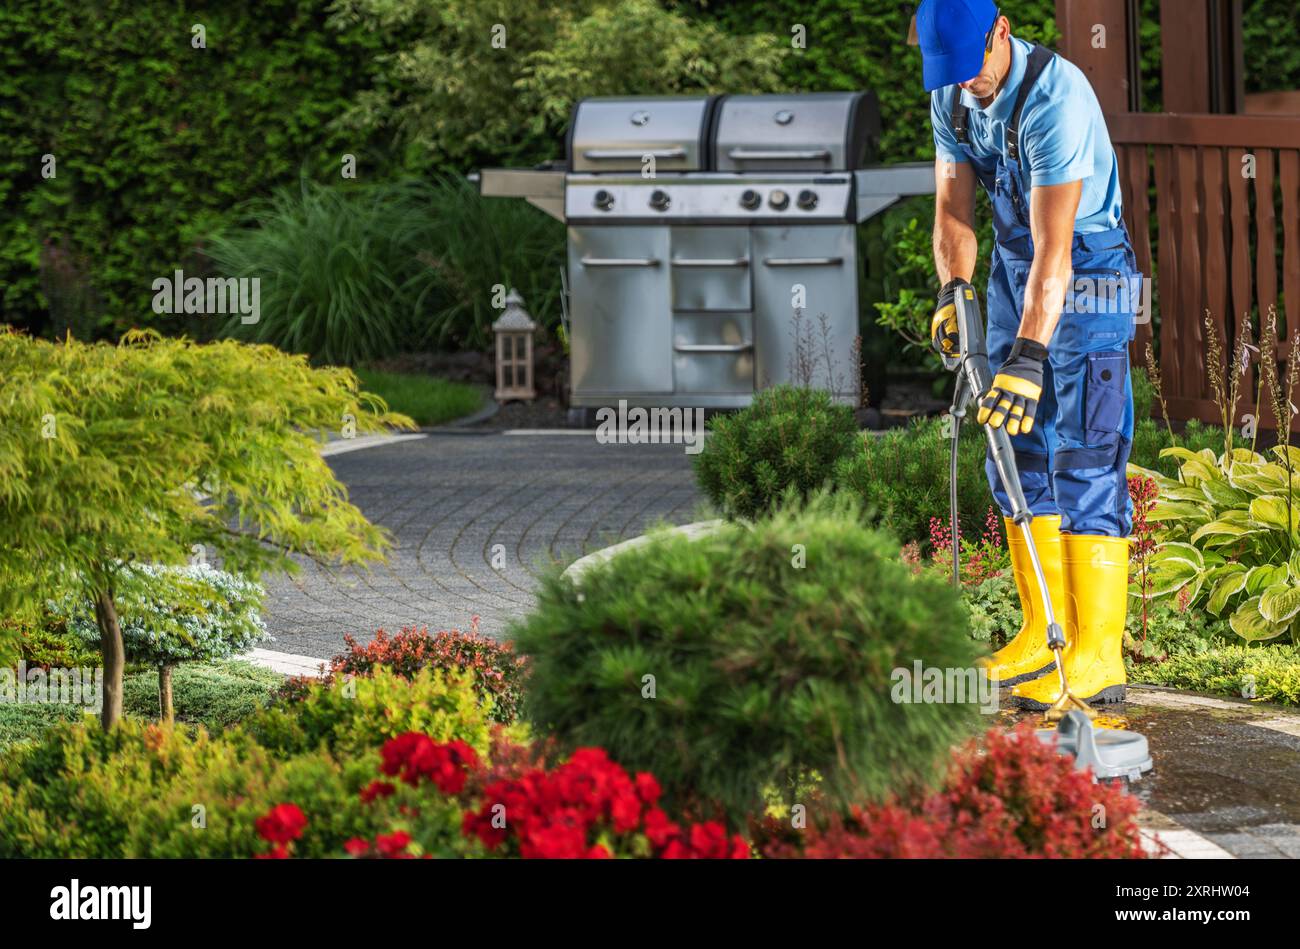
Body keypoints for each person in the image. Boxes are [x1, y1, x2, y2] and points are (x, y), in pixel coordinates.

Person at [915, 0, 1142, 708]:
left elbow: (1057, 248)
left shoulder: (1056, 97)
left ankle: (1097, 652)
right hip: (1019, 270)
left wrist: (1029, 356)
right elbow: (953, 213)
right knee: (1014, 445)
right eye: (950, 74)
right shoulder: (953, 96)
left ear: (1002, 31)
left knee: (1082, 448)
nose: (968, 85)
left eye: (974, 67)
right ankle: (1042, 632)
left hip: (1089, 268)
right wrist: (955, 289)